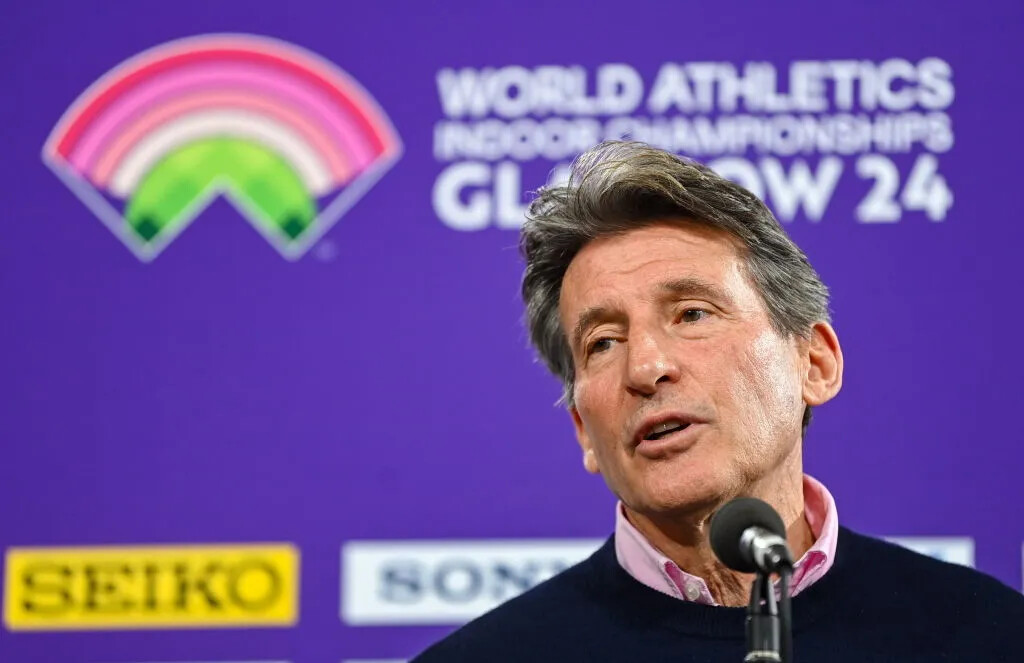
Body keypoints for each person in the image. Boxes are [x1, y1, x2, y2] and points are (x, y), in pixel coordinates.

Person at [413, 141, 1024, 662]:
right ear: (582, 430)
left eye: (692, 313)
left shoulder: (988, 636)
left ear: (814, 363)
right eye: (603, 343)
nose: (646, 368)